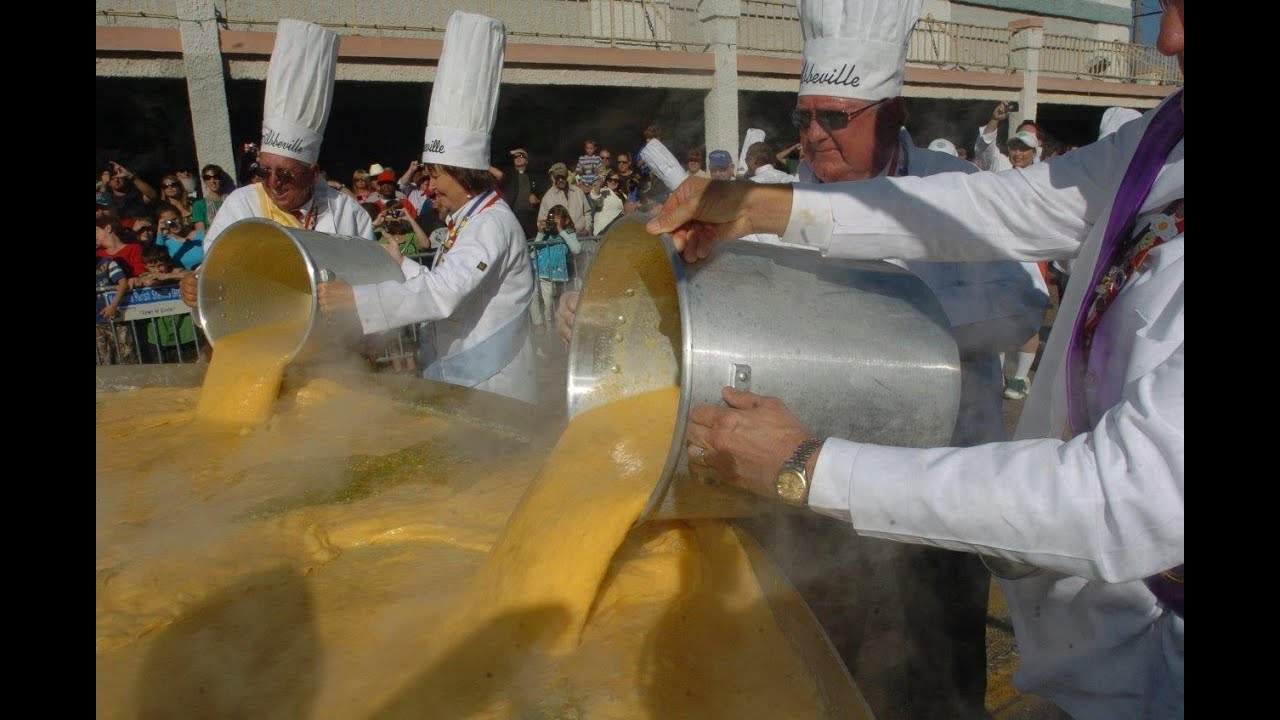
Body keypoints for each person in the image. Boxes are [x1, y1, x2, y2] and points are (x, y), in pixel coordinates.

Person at [646, 2, 1184, 716]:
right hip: (1077, 635)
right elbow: (1012, 206)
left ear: (892, 115)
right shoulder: (1166, 140)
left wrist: (809, 466)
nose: (1168, 36)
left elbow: (1123, 495)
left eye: (837, 117)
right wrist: (762, 207)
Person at [317, 11, 537, 405]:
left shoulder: (491, 224)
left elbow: (443, 296)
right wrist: (401, 265)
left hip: (493, 389)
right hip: (465, 380)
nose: (428, 186)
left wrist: (358, 299)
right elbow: (447, 285)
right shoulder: (470, 220)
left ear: (462, 173)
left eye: (435, 175)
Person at [178, 19, 375, 310]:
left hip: (334, 342)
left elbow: (371, 280)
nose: (272, 183)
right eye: (263, 171)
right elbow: (214, 271)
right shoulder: (241, 205)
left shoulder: (346, 212)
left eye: (285, 174)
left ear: (312, 174)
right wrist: (194, 283)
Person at [529, 204, 582, 335]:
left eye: (557, 221)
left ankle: (554, 333)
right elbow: (531, 254)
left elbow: (576, 249)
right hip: (542, 276)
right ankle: (546, 332)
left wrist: (561, 231)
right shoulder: (545, 236)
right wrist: (540, 233)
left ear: (566, 220)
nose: (553, 224)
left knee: (554, 308)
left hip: (558, 277)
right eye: (551, 221)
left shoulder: (568, 234)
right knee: (542, 304)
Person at [499, 147, 541, 238]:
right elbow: (498, 158)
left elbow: (544, 196)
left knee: (532, 245)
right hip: (513, 215)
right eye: (515, 156)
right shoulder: (508, 175)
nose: (518, 157)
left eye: (521, 155)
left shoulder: (534, 177)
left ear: (527, 161)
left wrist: (538, 200)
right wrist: (511, 152)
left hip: (531, 217)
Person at [538, 162, 591, 233]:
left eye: (562, 177)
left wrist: (587, 229)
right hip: (560, 241)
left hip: (581, 238)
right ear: (553, 177)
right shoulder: (547, 197)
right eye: (558, 177)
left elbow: (587, 213)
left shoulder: (578, 192)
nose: (560, 180)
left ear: (566, 175)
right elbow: (541, 221)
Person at [154, 204, 205, 271]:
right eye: (168, 222)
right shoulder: (165, 243)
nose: (173, 224)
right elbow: (155, 257)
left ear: (181, 217)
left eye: (174, 219)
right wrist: (160, 233)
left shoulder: (201, 235)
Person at [191, 164, 233, 230]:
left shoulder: (231, 201)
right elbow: (200, 233)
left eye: (216, 177)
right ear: (204, 181)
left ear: (221, 179)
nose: (212, 181)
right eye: (208, 178)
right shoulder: (199, 205)